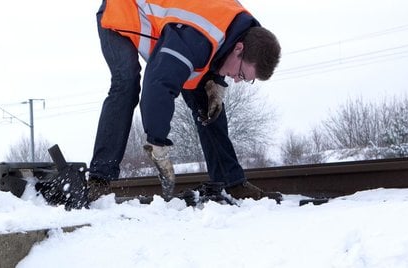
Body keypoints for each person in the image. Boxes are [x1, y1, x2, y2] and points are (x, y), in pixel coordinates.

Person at [88, 0, 282, 203]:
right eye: (241, 74)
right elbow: (159, 83)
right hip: (123, 10)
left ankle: (230, 183)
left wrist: (215, 80)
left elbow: (217, 46)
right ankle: (99, 180)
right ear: (239, 48)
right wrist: (157, 143)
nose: (236, 80)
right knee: (127, 83)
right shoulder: (195, 37)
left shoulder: (238, 27)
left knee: (208, 104)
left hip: (174, 25)